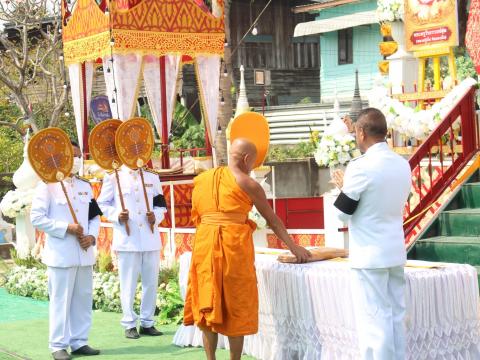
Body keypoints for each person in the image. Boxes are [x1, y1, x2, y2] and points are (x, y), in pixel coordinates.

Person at [184, 138, 311, 360]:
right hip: (233, 250)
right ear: (246, 159)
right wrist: (293, 247)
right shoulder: (248, 183)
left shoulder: (202, 180)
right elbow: (272, 220)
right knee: (238, 305)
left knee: (207, 300)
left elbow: (197, 216)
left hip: (204, 247)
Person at [331, 108, 412, 360]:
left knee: (374, 321)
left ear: (362, 132)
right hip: (395, 251)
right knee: (396, 316)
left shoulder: (360, 167)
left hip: (369, 255)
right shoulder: (402, 163)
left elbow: (342, 213)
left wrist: (344, 188)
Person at [30, 141, 102, 360]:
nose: (77, 160)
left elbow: (94, 216)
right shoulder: (47, 185)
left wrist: (92, 236)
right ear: (62, 158)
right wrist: (65, 228)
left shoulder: (84, 186)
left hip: (84, 252)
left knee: (83, 298)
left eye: (80, 156)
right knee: (61, 300)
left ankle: (80, 341)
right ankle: (58, 345)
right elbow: (37, 218)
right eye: (73, 156)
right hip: (61, 254)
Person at [96, 164, 167, 339]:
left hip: (150, 237)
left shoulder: (152, 177)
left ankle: (147, 322)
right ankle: (129, 323)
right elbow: (102, 203)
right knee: (128, 283)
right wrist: (117, 215)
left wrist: (156, 217)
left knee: (151, 282)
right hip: (128, 238)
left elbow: (160, 204)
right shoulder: (114, 176)